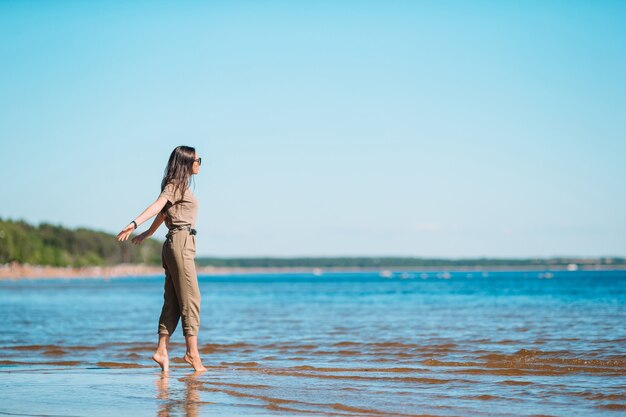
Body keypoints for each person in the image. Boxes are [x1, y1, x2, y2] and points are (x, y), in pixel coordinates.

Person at [117, 145, 206, 373]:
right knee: (191, 299)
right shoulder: (175, 185)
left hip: (175, 244)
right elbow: (158, 205)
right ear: (187, 162)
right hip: (180, 243)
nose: (200, 163)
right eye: (198, 160)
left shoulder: (179, 186)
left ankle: (161, 351)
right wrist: (135, 223)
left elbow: (164, 212)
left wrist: (148, 233)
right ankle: (192, 354)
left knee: (174, 301)